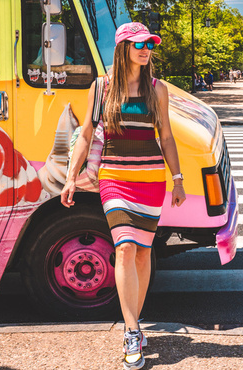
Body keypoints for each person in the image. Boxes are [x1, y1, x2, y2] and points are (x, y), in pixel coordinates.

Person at [61, 22, 186, 370]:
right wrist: (72, 178)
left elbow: (167, 137)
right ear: (122, 48)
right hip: (114, 178)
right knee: (125, 248)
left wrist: (177, 179)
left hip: (149, 179)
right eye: (139, 45)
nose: (146, 50)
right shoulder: (100, 87)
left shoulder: (157, 89)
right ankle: (132, 331)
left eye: (149, 44)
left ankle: (136, 321)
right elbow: (85, 133)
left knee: (143, 255)